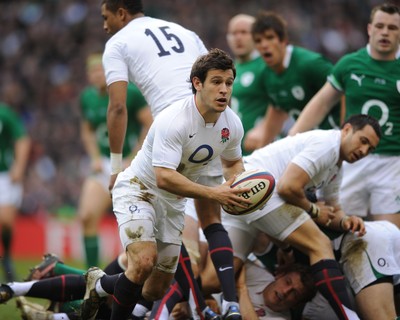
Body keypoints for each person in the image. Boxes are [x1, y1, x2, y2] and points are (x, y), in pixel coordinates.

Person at [80, 48, 249, 320]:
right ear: (197, 83)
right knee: (142, 262)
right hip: (140, 189)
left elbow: (232, 164)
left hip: (172, 203)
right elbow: (164, 177)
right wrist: (215, 193)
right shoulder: (175, 120)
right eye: (216, 82)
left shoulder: (232, 124)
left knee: (154, 289)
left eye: (229, 83)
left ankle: (98, 285)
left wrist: (241, 184)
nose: (224, 90)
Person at [218, 114, 382, 320]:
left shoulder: (336, 164)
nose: (364, 151)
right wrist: (313, 210)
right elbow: (287, 187)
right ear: (347, 129)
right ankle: (350, 316)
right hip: (255, 186)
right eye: (363, 141)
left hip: (241, 191)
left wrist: (346, 221)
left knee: (213, 280)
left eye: (370, 149)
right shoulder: (327, 145)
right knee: (320, 244)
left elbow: (332, 208)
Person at [288, 3, 400, 228]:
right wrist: (292, 138)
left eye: (392, 27)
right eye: (380, 26)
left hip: (393, 162)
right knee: (341, 230)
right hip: (351, 159)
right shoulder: (350, 64)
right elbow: (321, 102)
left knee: (391, 237)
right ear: (369, 29)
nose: (385, 32)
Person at [78, 53, 152, 268]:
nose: (95, 75)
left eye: (99, 70)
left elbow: (149, 123)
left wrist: (133, 156)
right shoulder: (87, 97)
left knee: (134, 224)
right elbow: (87, 130)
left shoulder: (131, 94)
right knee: (87, 215)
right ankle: (90, 274)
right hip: (104, 163)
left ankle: (129, 272)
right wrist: (93, 157)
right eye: (91, 72)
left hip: (131, 167)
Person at [245, 10, 341, 149]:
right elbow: (277, 111)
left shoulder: (310, 63)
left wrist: (345, 131)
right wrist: (262, 151)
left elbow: (343, 90)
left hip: (334, 137)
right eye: (258, 41)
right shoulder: (266, 74)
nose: (264, 45)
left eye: (270, 37)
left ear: (283, 40)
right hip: (307, 143)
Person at [225, 13, 270, 155]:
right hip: (237, 149)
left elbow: (282, 103)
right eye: (234, 33)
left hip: (263, 148)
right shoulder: (228, 69)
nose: (238, 37)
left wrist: (263, 128)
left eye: (244, 32)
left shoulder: (266, 66)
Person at [0, 102, 31, 282]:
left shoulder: (5, 113)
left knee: (5, 222)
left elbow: (22, 138)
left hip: (5, 176)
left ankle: (8, 257)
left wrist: (19, 167)